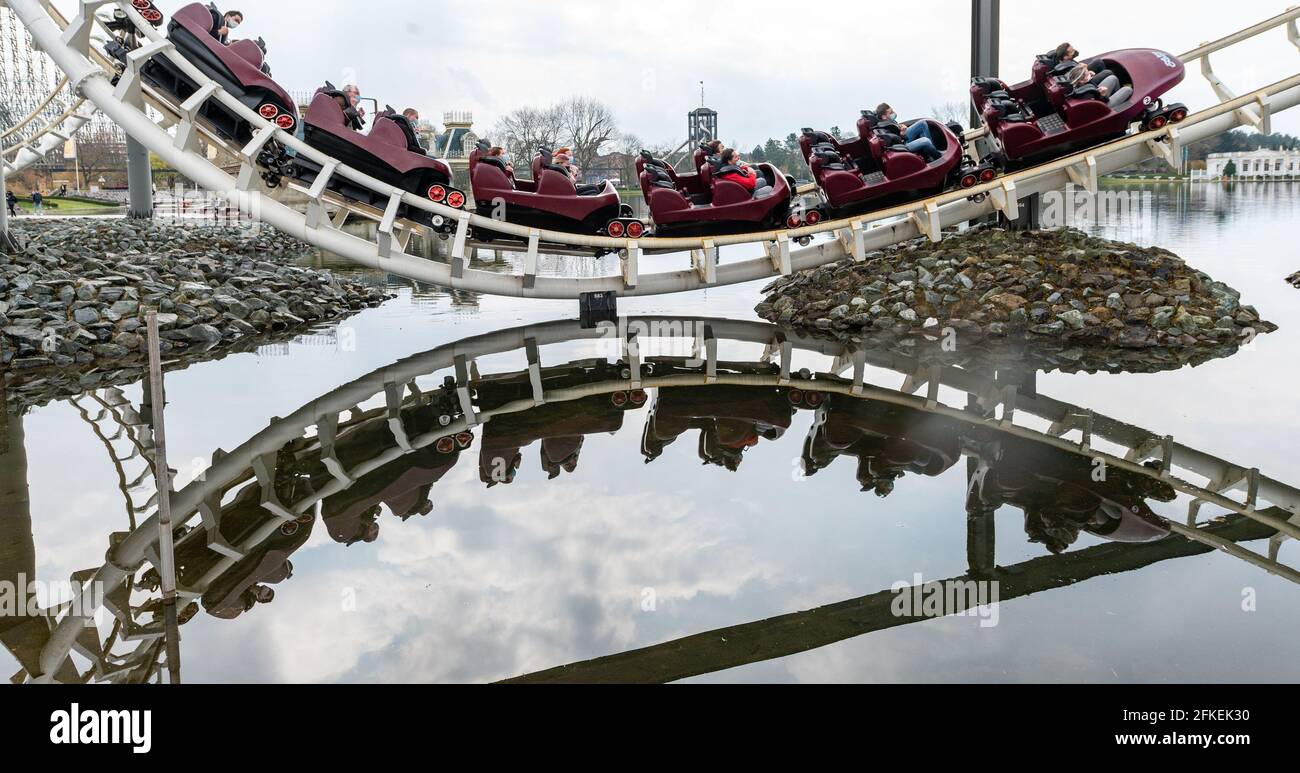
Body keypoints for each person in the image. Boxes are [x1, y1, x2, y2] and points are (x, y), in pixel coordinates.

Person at [875, 103, 942, 162]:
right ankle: (938, 158)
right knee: (925, 141)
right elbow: (895, 141)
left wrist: (900, 127)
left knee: (922, 123)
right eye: (890, 112)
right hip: (902, 145)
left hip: (902, 138)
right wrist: (902, 134)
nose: (893, 113)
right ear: (884, 117)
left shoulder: (889, 121)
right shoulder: (886, 126)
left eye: (892, 110)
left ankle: (930, 151)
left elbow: (896, 131)